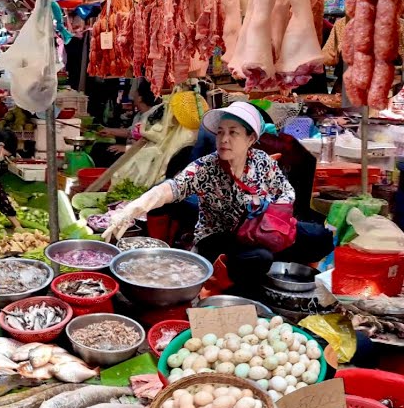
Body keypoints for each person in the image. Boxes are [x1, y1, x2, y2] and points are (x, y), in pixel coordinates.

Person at [103, 101, 333, 295]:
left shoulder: (263, 161)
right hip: (220, 237)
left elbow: (287, 192)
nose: (224, 139)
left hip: (260, 230)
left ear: (251, 139)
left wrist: (270, 210)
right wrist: (133, 208)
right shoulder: (207, 167)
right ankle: (234, 291)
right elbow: (171, 188)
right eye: (221, 132)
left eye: (233, 133)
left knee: (320, 237)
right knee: (260, 258)